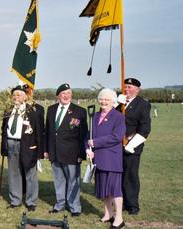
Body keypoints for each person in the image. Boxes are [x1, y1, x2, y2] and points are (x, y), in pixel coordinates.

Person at [45, 83, 87, 217]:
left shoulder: (79, 111)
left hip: (72, 153)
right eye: (63, 94)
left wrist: (81, 153)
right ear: (58, 96)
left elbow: (83, 134)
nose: (66, 96)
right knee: (59, 180)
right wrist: (46, 150)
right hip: (54, 152)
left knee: (73, 181)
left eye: (69, 93)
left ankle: (75, 207)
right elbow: (48, 132)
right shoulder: (51, 109)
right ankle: (60, 204)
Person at [0, 85, 44, 211]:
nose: (16, 97)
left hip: (28, 145)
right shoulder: (8, 110)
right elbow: (4, 129)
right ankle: (15, 200)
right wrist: (4, 146)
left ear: (25, 96)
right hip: (11, 143)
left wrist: (39, 151)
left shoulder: (34, 111)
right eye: (14, 95)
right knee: (14, 173)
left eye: (19, 94)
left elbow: (39, 131)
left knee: (30, 174)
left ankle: (31, 201)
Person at [87, 88, 126, 229]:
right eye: (101, 99)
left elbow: (116, 137)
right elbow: (89, 135)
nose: (103, 101)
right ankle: (108, 214)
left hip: (112, 159)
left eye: (107, 99)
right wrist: (88, 148)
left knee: (115, 190)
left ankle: (119, 219)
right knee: (104, 189)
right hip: (99, 159)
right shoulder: (94, 116)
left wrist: (96, 143)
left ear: (113, 101)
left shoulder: (119, 117)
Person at [118, 78, 151, 215]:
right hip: (117, 145)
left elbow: (145, 128)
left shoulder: (142, 104)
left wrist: (131, 144)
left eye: (130, 87)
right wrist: (116, 104)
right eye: (125, 87)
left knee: (130, 175)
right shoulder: (120, 103)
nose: (127, 89)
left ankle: (132, 205)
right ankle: (122, 202)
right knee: (119, 174)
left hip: (132, 146)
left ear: (138, 89)